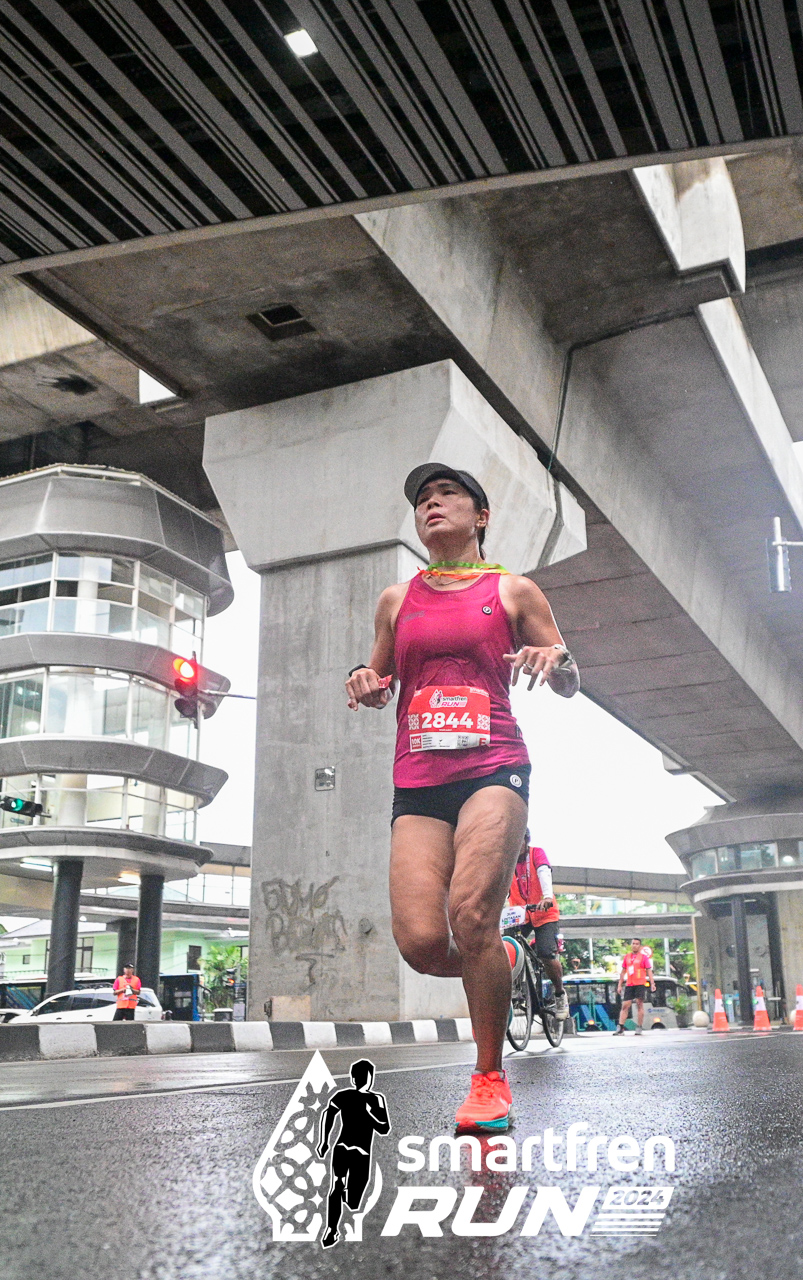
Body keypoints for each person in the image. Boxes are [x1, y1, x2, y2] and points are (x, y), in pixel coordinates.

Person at [346, 463, 579, 1132]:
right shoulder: (397, 600)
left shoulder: (513, 591)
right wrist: (363, 681)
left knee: (471, 915)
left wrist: (556, 661)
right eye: (422, 498)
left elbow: (568, 676)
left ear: (480, 516)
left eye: (446, 494)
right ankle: (505, 960)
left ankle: (488, 1080)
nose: (432, 504)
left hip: (493, 768)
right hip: (418, 779)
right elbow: (378, 676)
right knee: (422, 942)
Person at [317, 1059, 390, 1249]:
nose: (364, 1079)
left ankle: (344, 1197)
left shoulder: (376, 1099)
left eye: (365, 1076)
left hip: (360, 1153)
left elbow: (384, 1128)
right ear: (354, 1078)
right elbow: (328, 1114)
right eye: (361, 1076)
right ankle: (331, 1229)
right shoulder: (344, 1096)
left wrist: (367, 1114)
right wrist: (324, 1141)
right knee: (337, 1184)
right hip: (344, 1148)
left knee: (353, 1201)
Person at [507, 834, 566, 1023]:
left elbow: (543, 872)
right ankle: (516, 985)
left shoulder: (536, 854)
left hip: (544, 912)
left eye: (520, 840)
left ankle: (560, 994)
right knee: (506, 948)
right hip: (520, 914)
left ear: (526, 840)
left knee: (546, 954)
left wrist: (547, 896)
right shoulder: (507, 859)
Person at [617, 939, 653, 1034]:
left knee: (639, 1004)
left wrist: (652, 983)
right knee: (625, 1005)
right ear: (631, 945)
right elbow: (623, 972)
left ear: (640, 946)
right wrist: (620, 985)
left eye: (637, 944)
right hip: (630, 984)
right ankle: (620, 1027)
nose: (635, 945)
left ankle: (639, 1027)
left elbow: (649, 970)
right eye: (633, 943)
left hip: (640, 983)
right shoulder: (627, 957)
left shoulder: (644, 958)